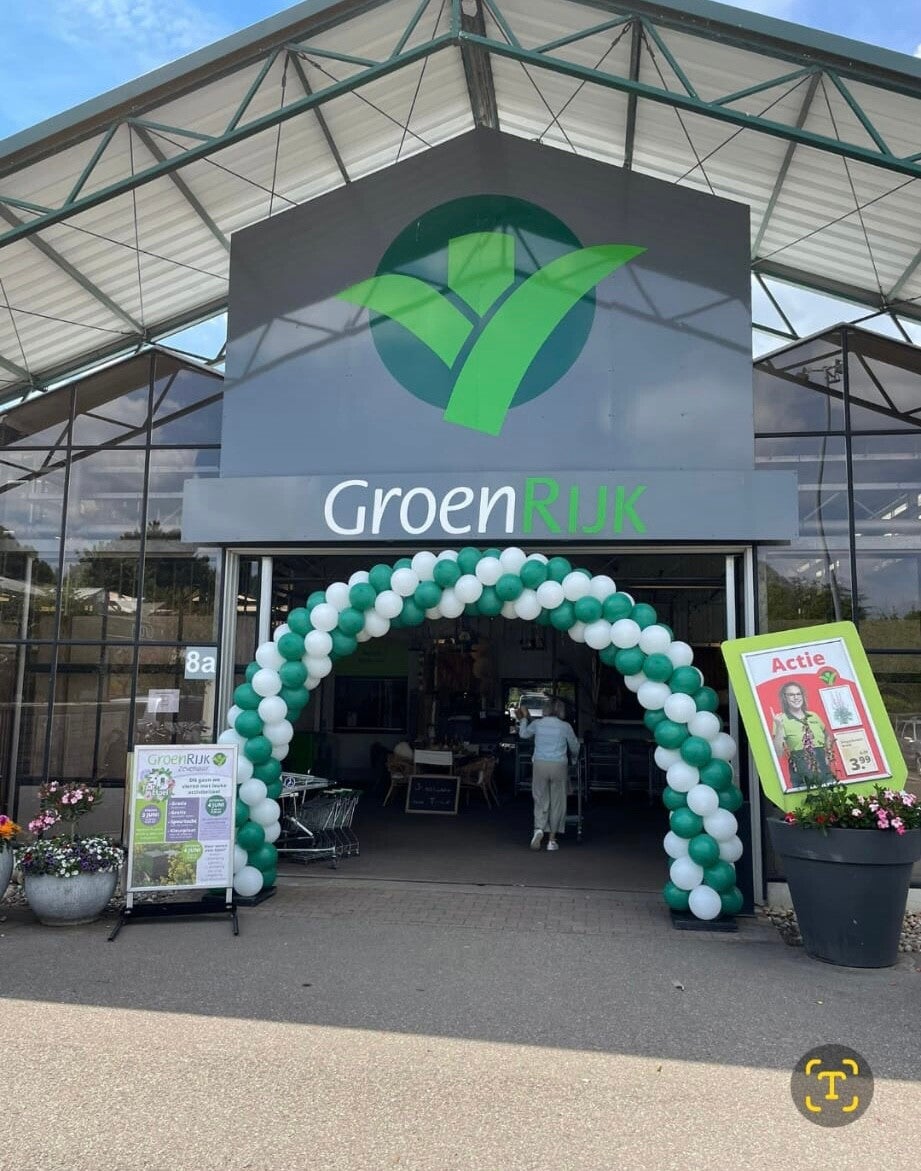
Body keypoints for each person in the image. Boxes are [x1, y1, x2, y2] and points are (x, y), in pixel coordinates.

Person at [517, 697, 580, 851]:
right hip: (559, 765)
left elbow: (523, 734)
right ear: (561, 710)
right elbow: (575, 746)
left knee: (540, 798)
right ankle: (552, 840)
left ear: (545, 709)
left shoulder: (538, 724)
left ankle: (539, 829)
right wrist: (574, 759)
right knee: (558, 802)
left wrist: (524, 719)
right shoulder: (565, 726)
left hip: (540, 764)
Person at [771, 680, 835, 790]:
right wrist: (780, 727)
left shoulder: (813, 716)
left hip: (825, 772)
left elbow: (827, 736)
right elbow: (778, 753)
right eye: (791, 695)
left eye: (798, 694)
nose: (796, 697)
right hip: (802, 776)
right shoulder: (781, 720)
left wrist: (828, 754)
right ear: (785, 698)